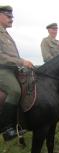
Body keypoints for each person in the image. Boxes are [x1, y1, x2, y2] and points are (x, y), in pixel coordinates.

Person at [0, 5, 33, 140]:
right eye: (8, 17)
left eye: (11, 17)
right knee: (15, 91)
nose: (11, 19)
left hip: (11, 69)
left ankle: (19, 123)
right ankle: (7, 129)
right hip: (2, 70)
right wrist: (21, 62)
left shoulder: (5, 33)